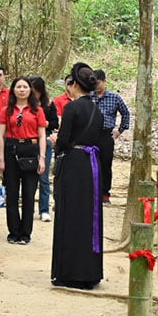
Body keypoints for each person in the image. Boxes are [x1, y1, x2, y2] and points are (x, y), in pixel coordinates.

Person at [51, 63, 105, 289]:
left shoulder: (72, 109)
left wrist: (56, 143)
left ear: (74, 85)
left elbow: (63, 141)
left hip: (73, 164)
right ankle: (90, 272)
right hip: (92, 165)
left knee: (70, 214)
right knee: (89, 215)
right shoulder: (97, 109)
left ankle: (70, 272)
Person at [0, 76, 47, 245]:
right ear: (13, 89)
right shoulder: (6, 110)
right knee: (11, 193)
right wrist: (1, 158)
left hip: (31, 150)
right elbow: (0, 135)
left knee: (28, 193)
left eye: (25, 87)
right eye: (18, 86)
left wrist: (42, 158)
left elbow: (42, 136)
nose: (21, 89)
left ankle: (25, 233)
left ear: (30, 90)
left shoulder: (37, 110)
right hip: (11, 149)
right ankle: (13, 231)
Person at [91, 69, 130, 204]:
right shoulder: (89, 97)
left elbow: (125, 113)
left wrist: (120, 130)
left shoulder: (114, 98)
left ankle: (105, 194)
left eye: (99, 82)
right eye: (94, 82)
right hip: (90, 135)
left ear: (104, 82)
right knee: (90, 164)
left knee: (106, 165)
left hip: (106, 135)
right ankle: (91, 192)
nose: (96, 85)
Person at [30, 76, 59, 223]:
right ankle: (28, 209)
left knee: (44, 177)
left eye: (36, 91)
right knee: (29, 177)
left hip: (45, 140)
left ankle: (44, 209)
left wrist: (44, 123)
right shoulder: (25, 104)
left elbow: (55, 123)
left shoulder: (48, 104)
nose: (33, 93)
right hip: (29, 141)